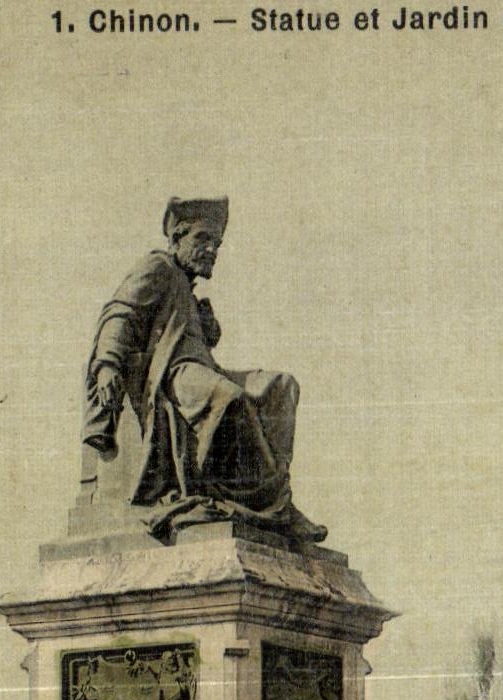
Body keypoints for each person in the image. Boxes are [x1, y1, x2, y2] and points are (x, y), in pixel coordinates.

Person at [83, 197, 326, 544]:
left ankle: (275, 501)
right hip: (172, 375)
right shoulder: (157, 267)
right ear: (177, 238)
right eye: (202, 239)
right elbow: (121, 312)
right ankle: (261, 504)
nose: (211, 249)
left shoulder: (186, 285)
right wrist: (106, 365)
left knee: (281, 386)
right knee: (230, 399)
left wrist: (206, 326)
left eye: (216, 243)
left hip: (203, 369)